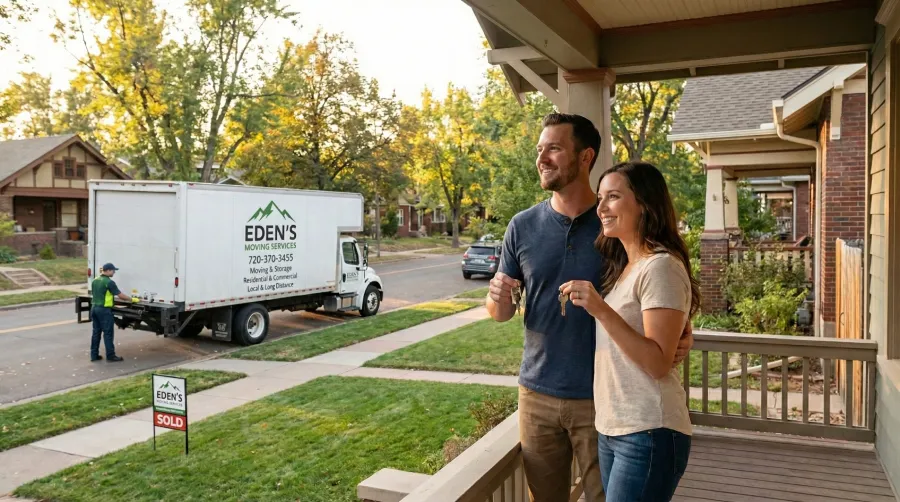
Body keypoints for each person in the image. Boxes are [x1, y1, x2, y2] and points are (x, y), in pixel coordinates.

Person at [487, 113, 693, 502]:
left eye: (554, 148)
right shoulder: (522, 226)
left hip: (604, 401)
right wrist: (496, 299)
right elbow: (500, 311)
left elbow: (658, 283)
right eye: (539, 150)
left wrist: (683, 329)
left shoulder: (615, 226)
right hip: (537, 393)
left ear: (585, 157)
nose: (542, 158)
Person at [560, 161, 701, 501]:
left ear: (644, 205)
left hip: (649, 428)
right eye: (600, 198)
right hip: (615, 427)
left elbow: (657, 363)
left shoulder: (661, 266)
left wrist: (600, 309)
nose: (602, 208)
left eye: (613, 197)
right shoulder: (630, 267)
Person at [90, 263, 131, 362]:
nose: (114, 272)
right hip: (104, 310)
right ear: (108, 270)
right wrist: (131, 299)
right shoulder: (109, 282)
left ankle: (94, 355)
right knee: (108, 333)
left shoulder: (95, 280)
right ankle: (111, 356)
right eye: (113, 270)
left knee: (96, 332)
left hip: (94, 308)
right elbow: (120, 295)